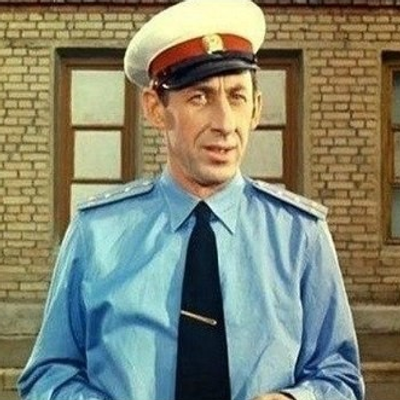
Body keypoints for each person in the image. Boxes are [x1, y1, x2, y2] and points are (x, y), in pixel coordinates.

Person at [18, 0, 365, 399]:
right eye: (200, 98)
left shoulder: (300, 236)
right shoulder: (97, 234)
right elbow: (49, 375)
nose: (225, 124)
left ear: (256, 109)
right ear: (155, 109)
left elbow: (340, 377)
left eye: (237, 97)